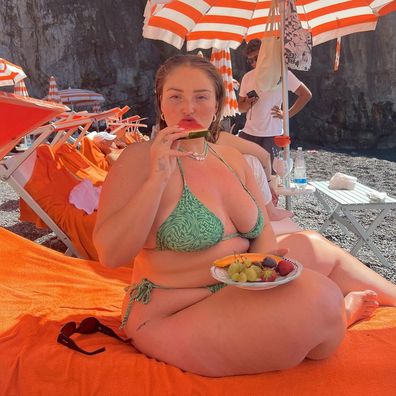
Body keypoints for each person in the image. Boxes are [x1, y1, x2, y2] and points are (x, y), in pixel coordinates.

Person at [93, 55, 396, 377]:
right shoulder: (138, 160)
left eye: (201, 96)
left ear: (217, 105)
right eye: (175, 96)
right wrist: (158, 178)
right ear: (161, 103)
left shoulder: (231, 158)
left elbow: (261, 231)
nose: (188, 108)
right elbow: (111, 255)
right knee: (319, 298)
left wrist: (265, 270)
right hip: (173, 312)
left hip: (237, 289)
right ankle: (343, 315)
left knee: (314, 244)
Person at [238, 39, 312, 164]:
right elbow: (240, 108)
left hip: (272, 134)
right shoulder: (247, 77)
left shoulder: (282, 74)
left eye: (256, 58)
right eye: (250, 60)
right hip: (249, 132)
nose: (254, 63)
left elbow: (306, 95)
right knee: (248, 172)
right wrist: (249, 103)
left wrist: (287, 114)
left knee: (271, 176)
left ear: (265, 55)